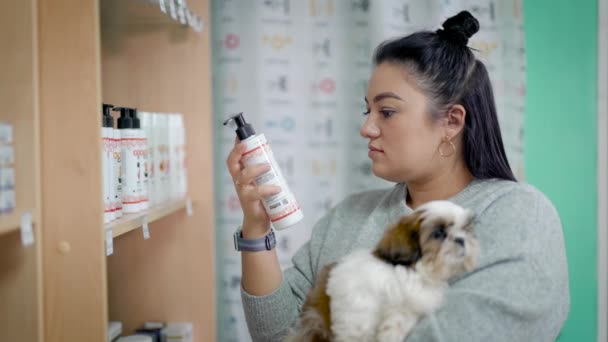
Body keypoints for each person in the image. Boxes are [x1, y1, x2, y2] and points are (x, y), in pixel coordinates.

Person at [225, 11, 570, 342]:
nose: (366, 128)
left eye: (386, 112)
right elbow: (280, 335)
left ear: (451, 122)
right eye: (367, 110)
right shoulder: (347, 218)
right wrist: (256, 227)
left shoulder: (520, 215)